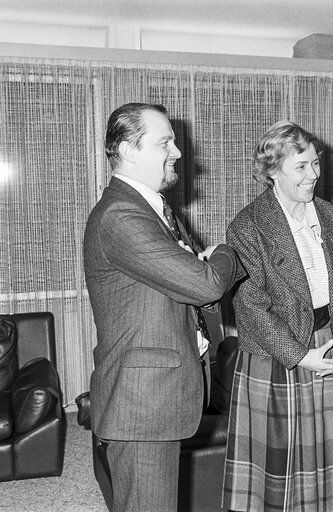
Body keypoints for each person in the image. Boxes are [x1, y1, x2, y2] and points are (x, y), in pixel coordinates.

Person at [83, 102, 244, 511]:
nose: (176, 152)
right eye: (165, 142)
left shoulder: (153, 207)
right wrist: (227, 250)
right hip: (142, 401)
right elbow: (203, 283)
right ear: (129, 149)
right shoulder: (121, 215)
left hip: (157, 394)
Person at [223, 120, 333, 511]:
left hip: (331, 342)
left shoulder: (332, 218)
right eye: (301, 167)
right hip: (277, 355)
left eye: (316, 163)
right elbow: (251, 306)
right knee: (279, 476)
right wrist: (302, 357)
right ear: (272, 172)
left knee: (330, 463)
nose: (314, 175)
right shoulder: (247, 226)